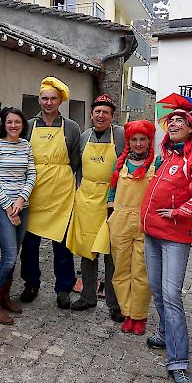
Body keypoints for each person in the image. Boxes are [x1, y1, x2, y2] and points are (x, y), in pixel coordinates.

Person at [140, 95, 192, 383]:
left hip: (175, 237)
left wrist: (178, 212)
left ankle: (179, 362)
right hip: (153, 233)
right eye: (170, 120)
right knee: (156, 288)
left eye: (180, 120)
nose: (173, 123)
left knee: (172, 296)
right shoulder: (170, 154)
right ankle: (163, 331)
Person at [20, 76, 80, 309]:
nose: (48, 102)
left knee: (62, 245)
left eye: (53, 98)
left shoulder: (71, 127)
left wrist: (59, 176)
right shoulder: (28, 125)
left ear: (60, 101)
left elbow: (75, 160)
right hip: (32, 191)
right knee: (30, 244)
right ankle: (31, 283)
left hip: (60, 193)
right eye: (44, 98)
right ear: (39, 99)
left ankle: (63, 288)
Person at [67, 94, 126, 322]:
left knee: (111, 253)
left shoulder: (120, 136)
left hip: (112, 199)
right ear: (91, 115)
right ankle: (88, 296)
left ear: (112, 117)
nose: (101, 116)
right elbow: (76, 164)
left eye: (106, 112)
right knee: (87, 249)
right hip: (87, 200)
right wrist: (80, 182)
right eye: (97, 112)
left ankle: (114, 303)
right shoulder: (84, 136)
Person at [0, 107, 36, 325]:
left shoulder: (25, 145)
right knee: (8, 255)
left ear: (23, 125)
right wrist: (8, 207)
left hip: (21, 206)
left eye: (17, 122)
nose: (13, 126)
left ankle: (4, 297)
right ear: (3, 125)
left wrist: (20, 201)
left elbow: (31, 174)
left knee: (14, 255)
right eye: (9, 122)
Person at [106, 120, 156, 336]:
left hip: (145, 223)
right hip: (121, 222)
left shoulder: (157, 163)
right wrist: (111, 214)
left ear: (149, 141)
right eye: (134, 139)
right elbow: (111, 192)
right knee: (121, 270)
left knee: (141, 272)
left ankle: (140, 315)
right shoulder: (121, 163)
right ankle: (127, 313)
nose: (138, 143)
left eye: (142, 139)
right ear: (129, 141)